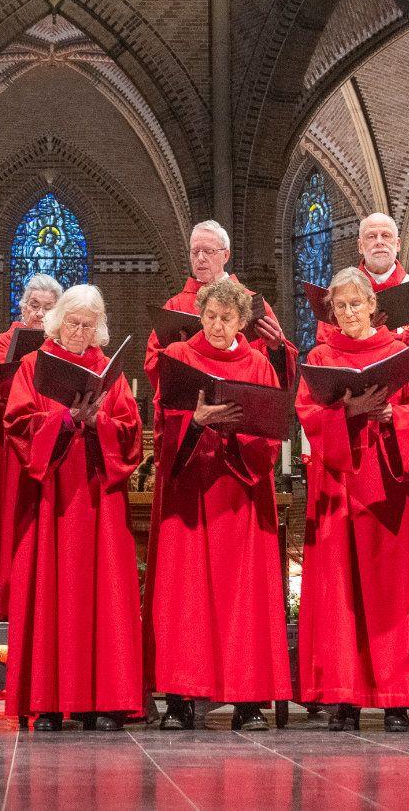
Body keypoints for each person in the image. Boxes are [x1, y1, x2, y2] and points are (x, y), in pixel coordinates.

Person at [295, 266, 409, 732]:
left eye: (357, 303)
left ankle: (395, 698)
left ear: (375, 306)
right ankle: (344, 698)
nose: (350, 312)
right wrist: (345, 411)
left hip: (386, 479)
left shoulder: (400, 352)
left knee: (389, 587)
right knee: (339, 590)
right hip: (337, 483)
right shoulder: (320, 355)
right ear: (331, 310)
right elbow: (307, 413)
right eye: (341, 305)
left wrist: (395, 413)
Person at [146, 278, 291, 731]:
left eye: (226, 318)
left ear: (241, 322)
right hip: (189, 491)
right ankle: (179, 698)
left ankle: (246, 702)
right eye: (210, 316)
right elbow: (162, 423)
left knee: (243, 597)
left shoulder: (258, 364)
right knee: (184, 596)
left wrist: (230, 431)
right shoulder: (178, 358)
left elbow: (270, 430)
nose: (216, 325)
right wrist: (194, 422)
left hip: (241, 495)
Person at [0, 284, 144, 731]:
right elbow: (17, 424)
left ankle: (103, 701)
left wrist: (96, 420)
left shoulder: (109, 372)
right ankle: (48, 701)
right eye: (73, 322)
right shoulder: (31, 365)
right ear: (57, 321)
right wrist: (63, 419)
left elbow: (130, 430)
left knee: (105, 595)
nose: (80, 331)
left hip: (99, 496)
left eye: (88, 324)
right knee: (52, 592)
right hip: (52, 499)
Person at [0, 273, 62, 620]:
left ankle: (49, 595)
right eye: (34, 306)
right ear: (22, 305)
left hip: (54, 438)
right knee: (13, 514)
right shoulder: (6, 340)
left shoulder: (64, 343)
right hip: (15, 441)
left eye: (49, 308)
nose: (41, 314)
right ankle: (12, 598)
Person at [144, 220, 295, 385]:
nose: (200, 258)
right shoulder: (175, 305)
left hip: (243, 393)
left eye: (208, 251)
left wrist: (277, 348)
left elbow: (277, 375)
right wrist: (180, 356)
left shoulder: (251, 303)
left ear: (226, 255)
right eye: (195, 252)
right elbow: (153, 363)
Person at [317, 213, 409, 367]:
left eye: (386, 235)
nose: (379, 242)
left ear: (398, 244)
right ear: (360, 246)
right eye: (371, 236)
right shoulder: (340, 295)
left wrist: (380, 335)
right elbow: (326, 346)